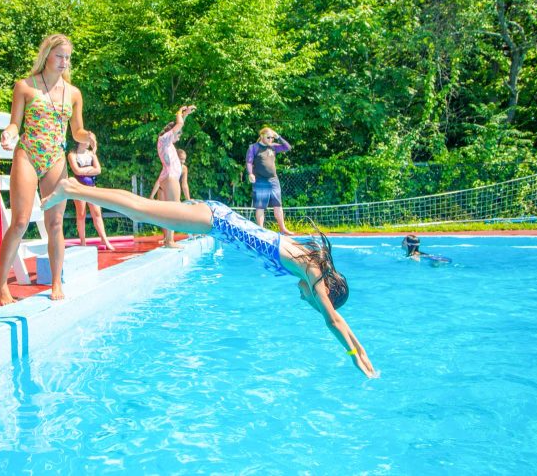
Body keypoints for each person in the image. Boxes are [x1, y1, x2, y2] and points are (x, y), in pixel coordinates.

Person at [40, 178, 377, 378]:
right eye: (317, 300)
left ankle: (74, 190)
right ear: (327, 291)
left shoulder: (306, 262)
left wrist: (360, 347)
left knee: (140, 208)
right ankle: (72, 188)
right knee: (140, 209)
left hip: (216, 217)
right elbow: (331, 320)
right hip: (214, 220)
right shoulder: (312, 270)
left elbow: (332, 318)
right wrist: (354, 357)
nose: (306, 299)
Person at [0, 34, 96, 304]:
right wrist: (8, 134)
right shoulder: (25, 86)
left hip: (55, 158)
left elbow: (76, 130)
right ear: (47, 55)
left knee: (55, 223)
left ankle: (55, 283)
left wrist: (86, 136)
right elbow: (15, 124)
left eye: (67, 57)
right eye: (59, 56)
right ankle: (1, 283)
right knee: (20, 222)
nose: (64, 62)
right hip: (28, 153)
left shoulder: (73, 93)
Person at [155, 106, 196, 247]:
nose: (178, 137)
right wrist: (179, 112)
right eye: (178, 135)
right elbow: (179, 125)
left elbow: (179, 126)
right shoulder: (164, 139)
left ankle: (168, 239)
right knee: (174, 208)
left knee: (169, 209)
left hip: (167, 176)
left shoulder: (167, 143)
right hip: (170, 177)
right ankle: (170, 241)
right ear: (171, 133)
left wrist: (185, 115)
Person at [67, 140, 115, 250]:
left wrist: (85, 170)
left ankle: (104, 239)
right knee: (81, 214)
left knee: (97, 213)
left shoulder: (91, 154)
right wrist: (90, 169)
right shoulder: (72, 155)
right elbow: (77, 171)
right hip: (79, 187)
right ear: (80, 141)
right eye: (87, 140)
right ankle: (83, 242)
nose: (89, 142)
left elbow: (98, 170)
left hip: (92, 186)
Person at [246, 127, 294, 235]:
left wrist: (278, 137)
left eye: (272, 137)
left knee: (278, 205)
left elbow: (288, 147)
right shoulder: (254, 147)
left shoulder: (273, 147)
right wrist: (250, 174)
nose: (271, 140)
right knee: (260, 206)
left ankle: (283, 229)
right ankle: (260, 230)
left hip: (273, 180)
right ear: (262, 136)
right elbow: (249, 162)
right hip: (260, 181)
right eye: (268, 137)